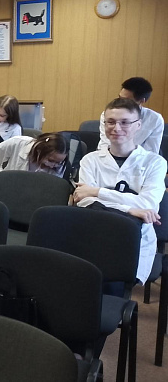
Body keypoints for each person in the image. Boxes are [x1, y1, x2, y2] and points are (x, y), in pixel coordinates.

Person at [75, 98, 166, 285]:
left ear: (138, 125)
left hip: (134, 237)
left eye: (125, 122)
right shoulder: (90, 160)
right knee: (81, 281)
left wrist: (97, 191)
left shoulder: (155, 162)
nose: (116, 128)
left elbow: (148, 204)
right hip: (94, 230)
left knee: (115, 285)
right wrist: (130, 209)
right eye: (111, 122)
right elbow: (84, 202)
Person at [97, 77, 164, 154]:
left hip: (139, 159)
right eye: (119, 98)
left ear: (141, 101)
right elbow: (105, 144)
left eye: (126, 100)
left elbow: (151, 152)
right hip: (109, 156)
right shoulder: (108, 114)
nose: (121, 102)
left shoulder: (155, 119)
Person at [0, 133, 69, 179]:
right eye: (50, 160)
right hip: (8, 189)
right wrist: (2, 176)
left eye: (58, 162)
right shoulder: (18, 142)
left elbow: (51, 188)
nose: (53, 165)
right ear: (39, 150)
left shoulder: (60, 164)